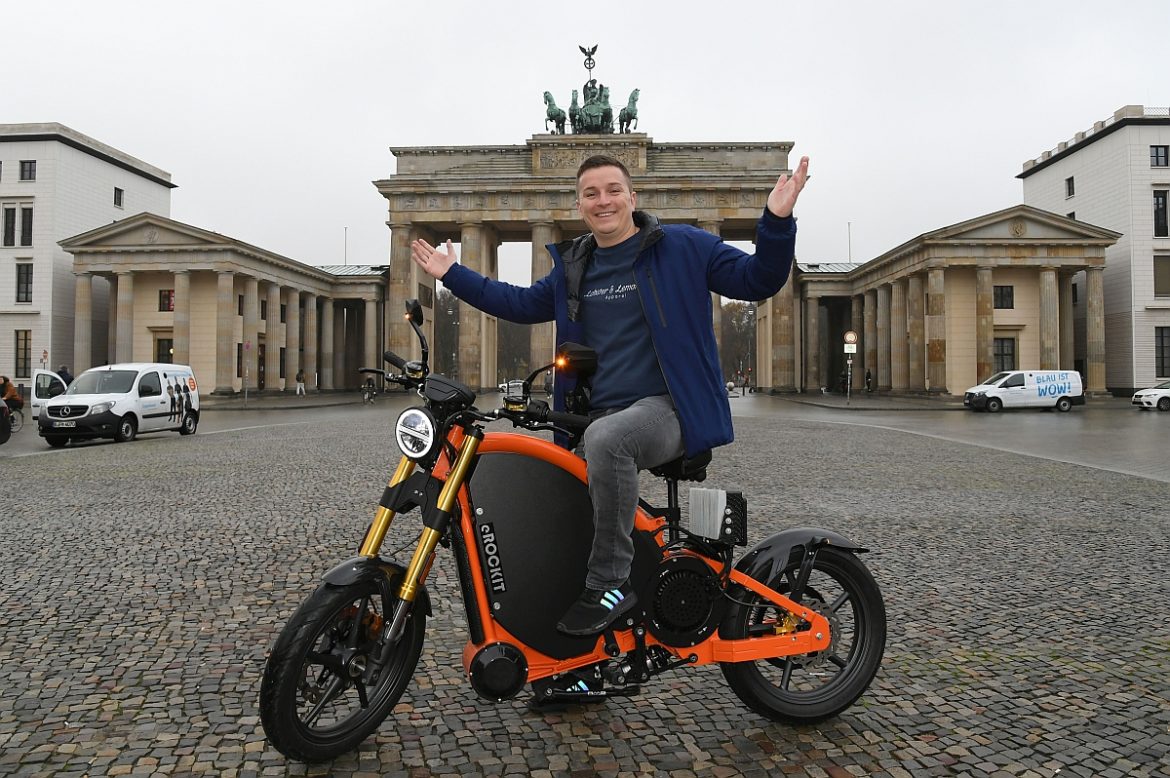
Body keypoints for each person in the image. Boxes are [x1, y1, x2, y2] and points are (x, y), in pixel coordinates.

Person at [411, 153, 808, 638]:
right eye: (592, 193)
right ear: (579, 205)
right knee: (550, 504)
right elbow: (516, 303)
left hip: (669, 408)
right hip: (594, 413)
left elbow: (759, 280)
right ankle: (568, 660)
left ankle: (609, 586)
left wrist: (776, 220)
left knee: (608, 440)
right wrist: (452, 273)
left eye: (613, 190)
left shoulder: (684, 247)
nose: (604, 201)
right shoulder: (575, 266)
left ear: (632, 198)